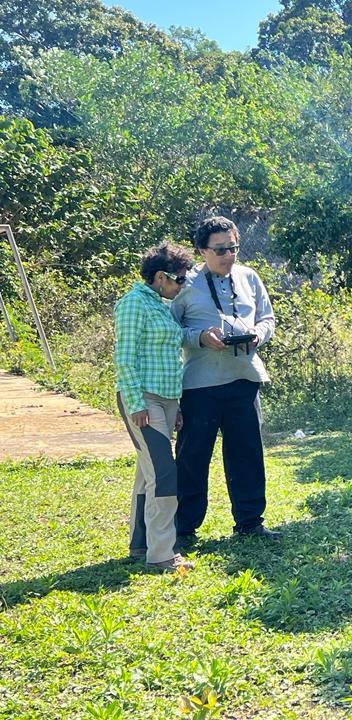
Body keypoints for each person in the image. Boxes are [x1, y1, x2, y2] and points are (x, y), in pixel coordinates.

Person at [170, 216, 279, 543]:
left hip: (244, 378)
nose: (228, 255)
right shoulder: (185, 284)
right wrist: (200, 337)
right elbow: (169, 331)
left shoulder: (249, 277)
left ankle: (249, 522)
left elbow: (267, 318)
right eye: (220, 250)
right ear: (202, 250)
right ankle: (184, 529)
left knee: (247, 453)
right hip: (200, 385)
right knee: (193, 457)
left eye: (233, 248)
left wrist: (258, 334)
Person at [114, 241, 196, 572]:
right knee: (164, 472)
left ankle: (140, 543)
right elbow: (125, 357)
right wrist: (135, 403)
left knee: (147, 471)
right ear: (160, 277)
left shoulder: (160, 304)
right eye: (179, 279)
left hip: (164, 399)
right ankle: (162, 554)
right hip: (142, 399)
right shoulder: (133, 304)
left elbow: (166, 356)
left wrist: (174, 406)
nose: (182, 285)